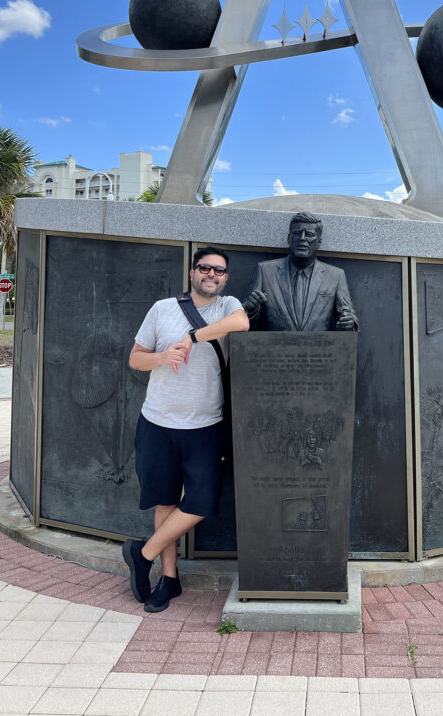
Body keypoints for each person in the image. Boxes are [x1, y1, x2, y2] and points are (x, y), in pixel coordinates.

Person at [123, 247, 249, 612]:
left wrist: (192, 338)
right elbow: (135, 358)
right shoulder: (162, 309)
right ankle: (169, 579)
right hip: (158, 422)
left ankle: (141, 553)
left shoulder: (227, 306)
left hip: (205, 425)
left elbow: (241, 323)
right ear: (193, 272)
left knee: (200, 502)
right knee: (165, 501)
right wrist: (163, 357)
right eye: (205, 268)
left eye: (219, 271)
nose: (212, 274)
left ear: (225, 278)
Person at [243, 212, 357, 331]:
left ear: (319, 242)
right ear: (289, 238)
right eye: (297, 233)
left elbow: (348, 314)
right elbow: (243, 320)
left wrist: (349, 322)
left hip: (318, 348)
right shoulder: (265, 271)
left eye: (309, 234)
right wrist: (250, 308)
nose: (302, 239)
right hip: (275, 347)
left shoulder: (336, 276)